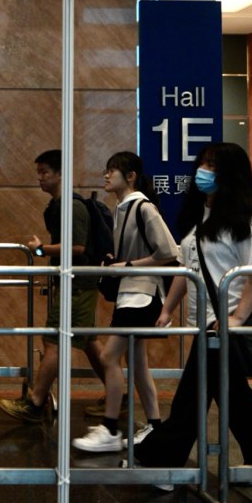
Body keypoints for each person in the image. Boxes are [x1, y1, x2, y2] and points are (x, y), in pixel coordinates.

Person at [134, 142, 252, 475]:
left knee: (192, 397)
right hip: (208, 324)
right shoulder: (203, 214)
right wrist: (168, 309)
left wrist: (237, 317)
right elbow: (190, 269)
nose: (204, 171)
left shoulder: (246, 218)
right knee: (232, 397)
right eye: (203, 164)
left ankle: (164, 457)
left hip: (226, 325)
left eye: (213, 166)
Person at [72, 152, 179, 452]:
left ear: (130, 176)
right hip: (131, 295)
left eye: (112, 171)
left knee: (108, 358)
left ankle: (110, 428)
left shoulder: (142, 207)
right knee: (137, 362)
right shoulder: (122, 208)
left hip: (141, 295)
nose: (106, 176)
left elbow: (168, 252)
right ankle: (154, 425)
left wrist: (129, 266)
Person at [0, 149, 107, 424]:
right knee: (89, 341)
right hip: (76, 282)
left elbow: (77, 247)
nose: (40, 178)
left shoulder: (71, 206)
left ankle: (35, 402)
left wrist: (40, 250)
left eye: (45, 172)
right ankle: (120, 394)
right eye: (39, 173)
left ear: (61, 173)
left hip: (77, 283)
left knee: (55, 340)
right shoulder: (62, 204)